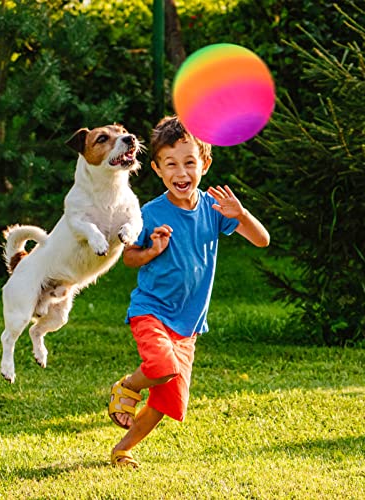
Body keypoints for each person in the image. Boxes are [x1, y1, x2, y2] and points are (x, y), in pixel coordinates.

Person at [108, 115, 270, 468]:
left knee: (167, 402)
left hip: (188, 324)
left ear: (205, 164)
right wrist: (151, 250)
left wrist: (240, 214)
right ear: (156, 169)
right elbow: (129, 259)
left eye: (189, 163)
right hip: (151, 309)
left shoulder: (215, 209)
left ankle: (123, 449)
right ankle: (128, 387)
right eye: (171, 164)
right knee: (161, 366)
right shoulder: (150, 212)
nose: (181, 173)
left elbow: (262, 239)